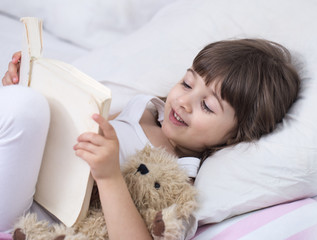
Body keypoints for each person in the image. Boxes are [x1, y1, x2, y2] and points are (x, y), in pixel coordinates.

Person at [0, 38, 300, 238]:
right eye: (186, 83)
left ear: (235, 136)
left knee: (26, 107)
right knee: (25, 102)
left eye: (207, 106)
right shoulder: (142, 109)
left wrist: (108, 177)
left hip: (32, 215)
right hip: (25, 173)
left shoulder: (183, 177)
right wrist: (27, 84)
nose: (183, 102)